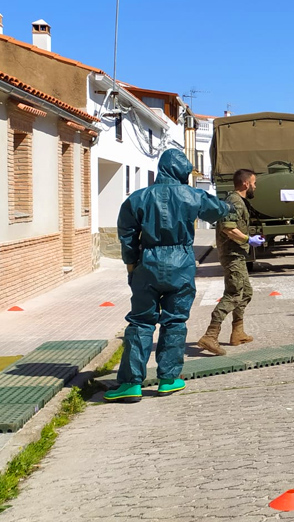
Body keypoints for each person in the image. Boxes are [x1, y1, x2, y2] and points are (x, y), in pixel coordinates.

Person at [105, 149, 232, 402]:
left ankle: (131, 383)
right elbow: (219, 211)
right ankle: (168, 379)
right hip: (181, 264)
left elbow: (127, 235)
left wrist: (131, 264)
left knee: (141, 321)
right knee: (175, 321)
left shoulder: (138, 198)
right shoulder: (192, 195)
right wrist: (230, 201)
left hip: (148, 263)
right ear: (182, 171)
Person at [198, 168, 264, 357]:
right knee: (234, 293)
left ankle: (237, 332)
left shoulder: (238, 201)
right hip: (232, 254)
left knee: (246, 292)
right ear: (246, 183)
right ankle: (210, 335)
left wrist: (249, 238)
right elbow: (228, 228)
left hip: (238, 254)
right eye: (254, 183)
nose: (255, 186)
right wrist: (247, 240)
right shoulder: (233, 201)